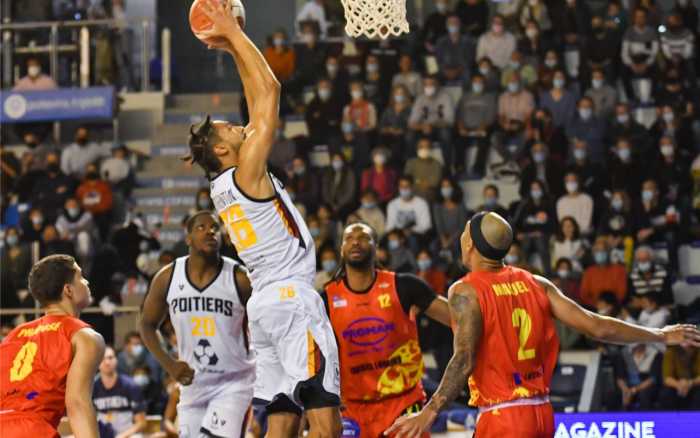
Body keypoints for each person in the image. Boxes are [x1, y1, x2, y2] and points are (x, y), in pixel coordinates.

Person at [386, 212, 700, 437]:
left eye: (466, 232)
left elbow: (465, 357)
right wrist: (661, 334)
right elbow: (598, 327)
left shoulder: (465, 289)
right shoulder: (536, 283)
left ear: (471, 245)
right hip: (541, 414)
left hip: (503, 416)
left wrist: (430, 411)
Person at [186, 4, 341, 435]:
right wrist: (234, 33)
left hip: (264, 309)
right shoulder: (246, 172)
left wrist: (235, 49)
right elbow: (269, 91)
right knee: (324, 410)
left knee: (281, 419)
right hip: (292, 301)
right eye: (229, 130)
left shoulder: (224, 185)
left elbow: (255, 104)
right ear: (221, 151)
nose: (240, 127)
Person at [323, 223, 450, 437]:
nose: (355, 241)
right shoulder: (326, 298)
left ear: (376, 246)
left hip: (403, 402)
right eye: (349, 238)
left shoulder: (404, 286)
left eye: (363, 237)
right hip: (353, 410)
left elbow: (459, 319)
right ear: (341, 248)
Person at [141, 211, 255, 437]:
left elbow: (265, 327)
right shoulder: (168, 277)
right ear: (188, 238)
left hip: (234, 384)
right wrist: (169, 364)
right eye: (201, 227)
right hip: (193, 384)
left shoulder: (239, 278)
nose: (211, 231)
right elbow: (146, 325)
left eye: (215, 227)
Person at [0, 254, 105, 437]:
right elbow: (78, 404)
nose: (86, 281)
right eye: (80, 276)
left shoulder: (13, 335)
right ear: (68, 290)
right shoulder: (84, 336)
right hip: (33, 430)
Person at [92, 346, 147, 437]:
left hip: (126, 434)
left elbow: (141, 423)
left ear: (116, 360)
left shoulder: (131, 386)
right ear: (96, 363)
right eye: (102, 359)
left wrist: (122, 436)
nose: (107, 362)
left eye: (110, 358)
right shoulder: (91, 388)